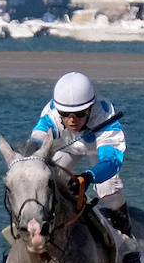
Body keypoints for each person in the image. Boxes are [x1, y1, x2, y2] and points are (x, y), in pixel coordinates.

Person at [29, 71, 131, 237]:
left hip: (97, 149)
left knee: (109, 188)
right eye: (65, 115)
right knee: (43, 179)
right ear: (58, 110)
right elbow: (34, 147)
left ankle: (127, 239)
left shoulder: (105, 115)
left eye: (80, 114)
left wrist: (88, 177)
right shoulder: (50, 116)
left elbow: (111, 161)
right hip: (66, 148)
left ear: (90, 108)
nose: (72, 121)